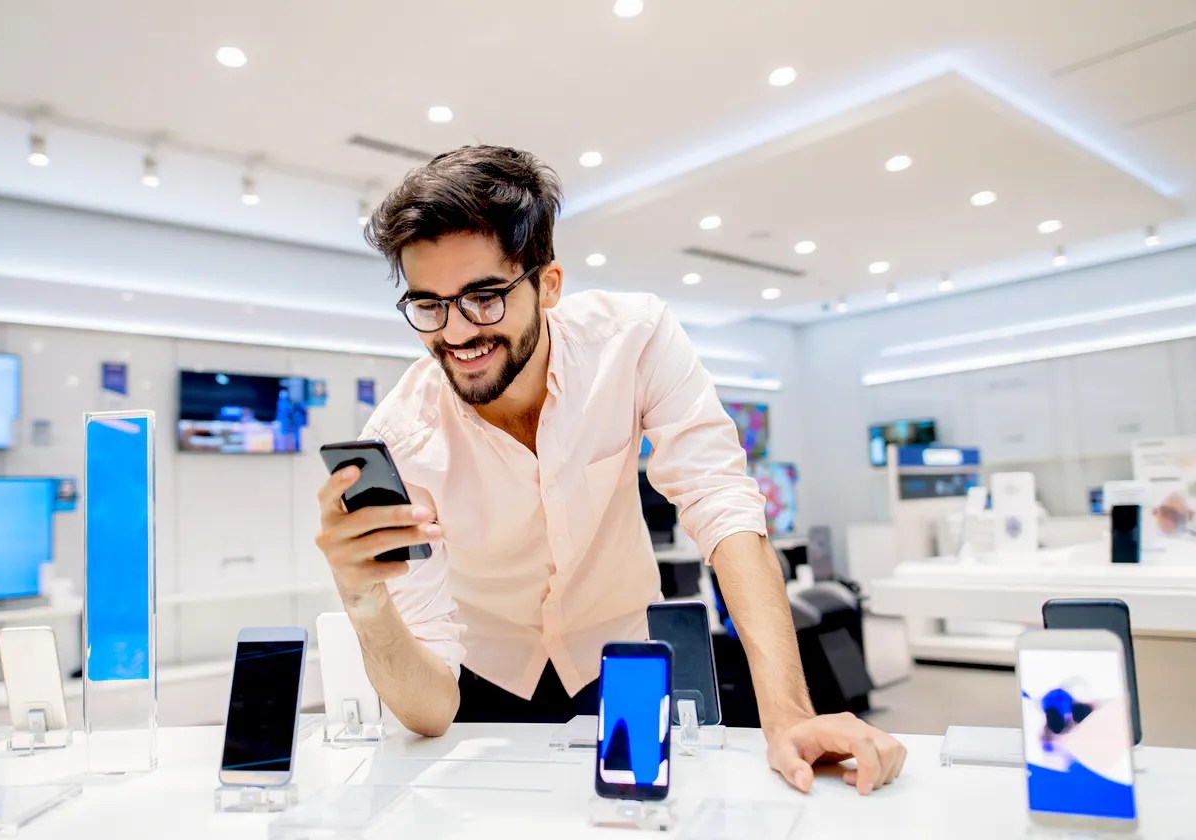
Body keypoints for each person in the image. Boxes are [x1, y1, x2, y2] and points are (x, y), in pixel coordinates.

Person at [314, 145, 905, 795]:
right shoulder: (401, 438)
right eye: (429, 306)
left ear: (548, 285)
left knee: (643, 814)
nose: (456, 334)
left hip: (623, 662)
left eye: (484, 298)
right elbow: (430, 712)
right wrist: (365, 600)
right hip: (482, 681)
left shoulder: (635, 340)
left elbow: (721, 504)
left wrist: (789, 715)